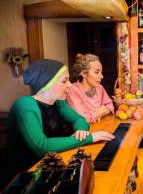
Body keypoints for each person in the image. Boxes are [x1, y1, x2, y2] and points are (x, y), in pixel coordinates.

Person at [0, 59, 114, 189]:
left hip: (48, 168)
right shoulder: (24, 105)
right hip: (22, 178)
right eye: (64, 81)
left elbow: (79, 120)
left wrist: (81, 130)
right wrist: (90, 138)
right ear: (46, 84)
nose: (70, 85)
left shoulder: (57, 102)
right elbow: (41, 146)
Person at [66, 53, 114, 123]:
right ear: (84, 74)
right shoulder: (72, 90)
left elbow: (110, 105)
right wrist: (101, 111)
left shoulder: (99, 88)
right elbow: (82, 119)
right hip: (82, 132)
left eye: (101, 72)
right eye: (97, 72)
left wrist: (97, 113)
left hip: (101, 127)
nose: (102, 76)